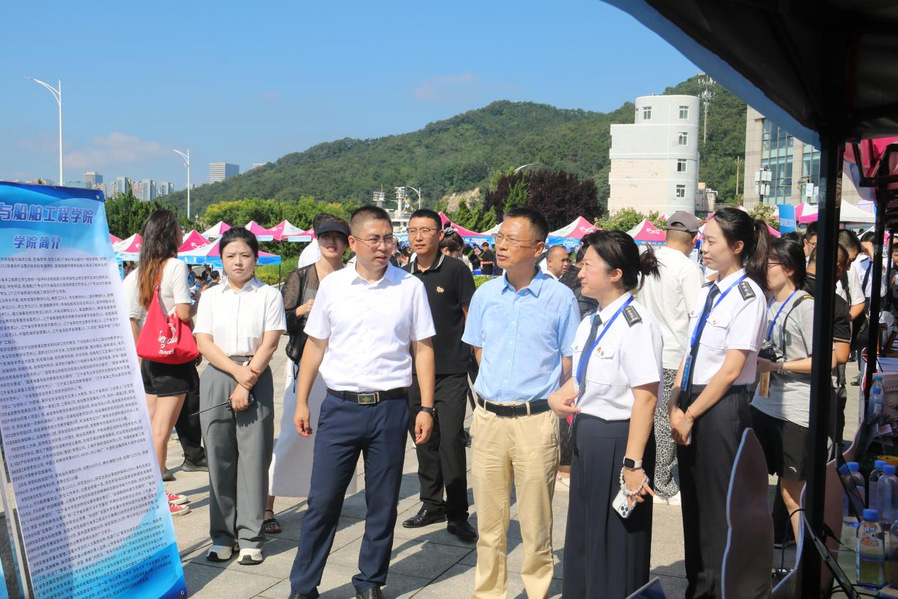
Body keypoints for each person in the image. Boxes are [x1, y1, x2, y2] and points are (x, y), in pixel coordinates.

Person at [288, 206, 436, 599]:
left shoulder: (409, 287)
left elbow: (423, 348)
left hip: (391, 409)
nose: (383, 246)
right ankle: (304, 586)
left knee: (383, 502)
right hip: (340, 408)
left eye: (388, 238)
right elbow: (315, 346)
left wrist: (426, 407)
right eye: (374, 239)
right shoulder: (333, 287)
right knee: (323, 502)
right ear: (353, 243)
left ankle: (370, 581)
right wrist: (301, 401)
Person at [462, 207, 580, 599]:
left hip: (535, 420)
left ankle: (537, 591)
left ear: (538, 248)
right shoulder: (485, 294)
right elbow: (479, 349)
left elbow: (568, 360)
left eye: (512, 240)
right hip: (488, 419)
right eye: (499, 238)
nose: (501, 246)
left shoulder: (560, 298)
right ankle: (489, 593)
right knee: (489, 523)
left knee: (535, 522)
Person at [548, 230, 663, 597]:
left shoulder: (637, 324)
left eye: (588, 265)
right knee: (584, 538)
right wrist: (557, 397)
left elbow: (646, 398)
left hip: (620, 442)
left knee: (615, 545)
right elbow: (580, 380)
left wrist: (633, 464)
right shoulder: (591, 321)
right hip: (588, 438)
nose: (579, 272)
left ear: (615, 274)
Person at [670, 206, 769, 599]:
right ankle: (697, 585)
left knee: (716, 509)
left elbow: (730, 370)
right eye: (703, 240)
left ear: (737, 246)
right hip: (691, 402)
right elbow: (690, 351)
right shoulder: (708, 289)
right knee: (693, 506)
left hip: (720, 407)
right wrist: (675, 402)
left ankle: (717, 590)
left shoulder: (748, 296)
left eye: (711, 241)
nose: (704, 248)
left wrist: (690, 414)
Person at [194, 227, 286, 565]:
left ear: (255, 258)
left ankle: (250, 536)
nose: (238, 262)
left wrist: (247, 381)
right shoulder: (210, 296)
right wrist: (236, 374)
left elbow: (270, 342)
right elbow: (203, 342)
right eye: (230, 255)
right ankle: (222, 535)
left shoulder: (268, 295)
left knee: (254, 458)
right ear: (220, 259)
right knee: (219, 458)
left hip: (255, 374)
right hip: (218, 374)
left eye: (245, 255)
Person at [267, 217, 353, 535]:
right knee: (292, 435)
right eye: (325, 237)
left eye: (337, 237)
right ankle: (267, 504)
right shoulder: (301, 276)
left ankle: (327, 501)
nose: (331, 242)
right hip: (305, 366)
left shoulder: (354, 276)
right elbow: (282, 322)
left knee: (336, 439)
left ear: (348, 243)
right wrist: (302, 310)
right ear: (317, 240)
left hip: (342, 368)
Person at [750, 237, 837, 544]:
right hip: (763, 404)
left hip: (795, 412)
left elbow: (826, 360)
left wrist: (777, 366)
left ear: (788, 269)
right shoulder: (770, 302)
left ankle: (806, 558)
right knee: (752, 483)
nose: (762, 269)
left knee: (791, 496)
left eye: (768, 264)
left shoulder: (806, 307)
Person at [401, 209, 478, 542]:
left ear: (438, 234)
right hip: (412, 372)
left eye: (426, 230)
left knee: (450, 440)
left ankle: (458, 514)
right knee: (424, 440)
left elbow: (470, 318)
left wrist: (475, 361)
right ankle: (432, 503)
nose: (418, 237)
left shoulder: (456, 270)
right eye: (413, 230)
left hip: (450, 371)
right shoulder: (402, 276)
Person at [123, 209, 199, 516]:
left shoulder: (138, 272)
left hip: (149, 360)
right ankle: (156, 497)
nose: (182, 233)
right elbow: (183, 312)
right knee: (161, 431)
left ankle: (146, 491)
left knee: (151, 428)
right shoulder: (175, 266)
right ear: (170, 234)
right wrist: (198, 302)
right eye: (179, 228)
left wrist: (140, 356)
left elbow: (131, 318)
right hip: (172, 359)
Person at [637, 211, 705, 505]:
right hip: (673, 355)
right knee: (667, 419)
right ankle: (663, 482)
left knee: (644, 414)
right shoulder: (688, 269)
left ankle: (643, 470)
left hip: (644, 351)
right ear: (693, 239)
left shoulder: (647, 259)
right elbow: (696, 316)